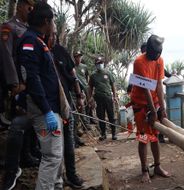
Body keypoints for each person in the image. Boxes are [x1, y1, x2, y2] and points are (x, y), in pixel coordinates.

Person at [17, 2, 64, 189]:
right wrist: (46, 111)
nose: (54, 25)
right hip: (44, 111)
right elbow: (32, 78)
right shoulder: (30, 41)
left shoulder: (39, 40)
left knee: (56, 154)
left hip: (51, 108)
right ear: (46, 20)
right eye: (52, 21)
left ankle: (57, 186)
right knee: (51, 156)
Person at [0, 1, 42, 189]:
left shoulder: (29, 29)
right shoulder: (8, 27)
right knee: (17, 122)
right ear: (19, 6)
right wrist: (14, 82)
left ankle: (28, 155)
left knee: (29, 120)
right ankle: (12, 168)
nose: (31, 11)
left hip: (31, 83)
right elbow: (6, 55)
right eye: (29, 7)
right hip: (17, 84)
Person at [130, 35, 170, 183]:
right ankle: (144, 170)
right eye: (155, 54)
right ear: (148, 51)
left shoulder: (159, 60)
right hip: (140, 103)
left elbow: (159, 85)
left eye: (160, 53)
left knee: (155, 136)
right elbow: (146, 88)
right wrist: (153, 112)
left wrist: (162, 108)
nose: (157, 56)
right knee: (144, 138)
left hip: (153, 101)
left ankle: (157, 166)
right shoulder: (139, 62)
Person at [48, 30, 84, 188]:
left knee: (68, 139)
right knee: (53, 146)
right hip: (49, 106)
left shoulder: (60, 51)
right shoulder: (39, 49)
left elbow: (72, 73)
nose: (53, 37)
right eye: (51, 33)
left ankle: (71, 174)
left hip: (66, 103)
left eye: (56, 34)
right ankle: (57, 180)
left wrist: (79, 95)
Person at [88, 57, 118, 141]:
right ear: (95, 65)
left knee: (111, 115)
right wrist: (90, 97)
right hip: (98, 98)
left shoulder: (108, 73)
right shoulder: (93, 75)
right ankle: (103, 134)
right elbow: (90, 87)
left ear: (103, 63)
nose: (99, 64)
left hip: (108, 97)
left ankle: (113, 133)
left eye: (101, 63)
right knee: (100, 116)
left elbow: (113, 85)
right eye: (98, 63)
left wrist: (115, 96)